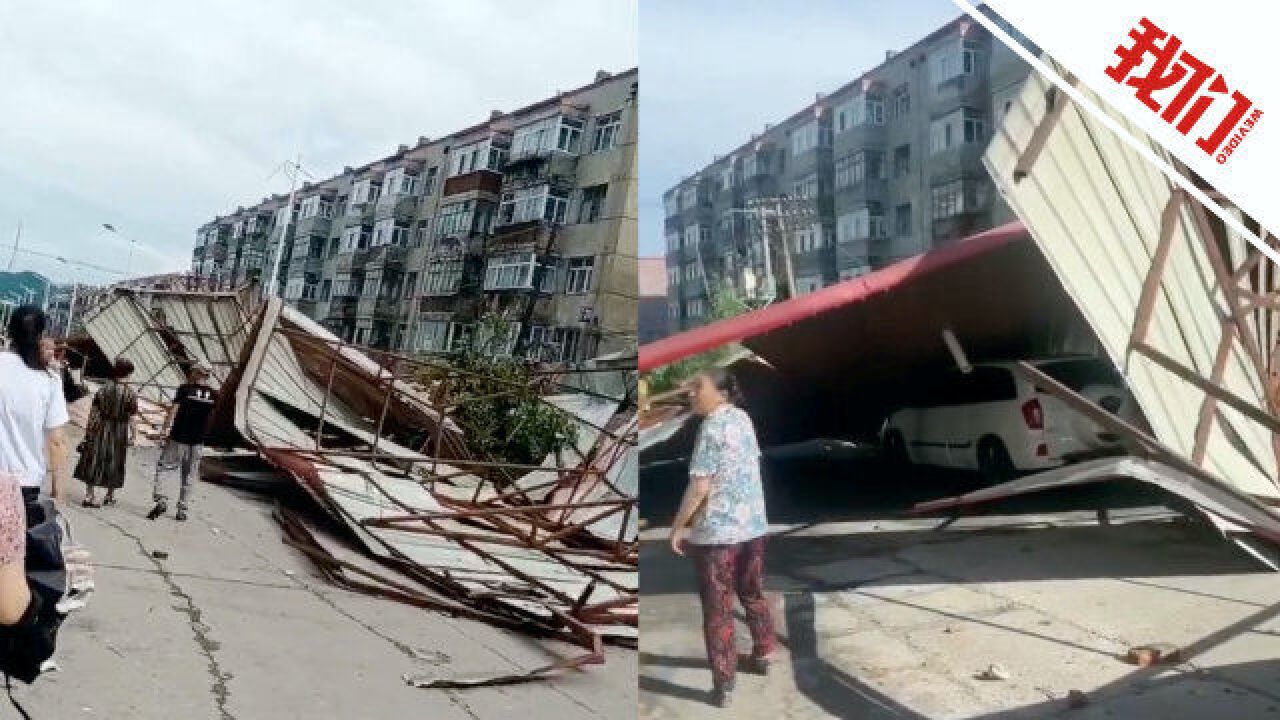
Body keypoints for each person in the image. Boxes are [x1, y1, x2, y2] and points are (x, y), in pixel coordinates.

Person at [669, 368, 775, 709]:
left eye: (697, 387)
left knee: (718, 608)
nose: (690, 394)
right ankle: (763, 653)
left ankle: (724, 683)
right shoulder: (743, 419)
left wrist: (678, 526)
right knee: (752, 591)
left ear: (722, 393)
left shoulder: (711, 427)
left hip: (719, 536)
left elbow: (700, 486)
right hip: (753, 528)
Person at [0, 306, 71, 623]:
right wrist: (59, 493)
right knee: (15, 574)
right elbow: (56, 441)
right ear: (40, 335)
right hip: (23, 490)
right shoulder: (48, 380)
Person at [149, 365, 217, 522]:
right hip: (198, 440)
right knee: (190, 474)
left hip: (178, 437)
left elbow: (173, 410)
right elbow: (211, 418)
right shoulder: (214, 394)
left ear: (196, 373)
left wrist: (164, 430)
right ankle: (182, 509)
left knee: (165, 467)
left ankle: (162, 499)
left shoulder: (184, 389)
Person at [74, 357, 138, 507]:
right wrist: (134, 435)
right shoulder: (130, 394)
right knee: (115, 461)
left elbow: (93, 414)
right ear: (128, 374)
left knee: (95, 459)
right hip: (119, 431)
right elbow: (132, 418)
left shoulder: (103, 389)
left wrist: (89, 433)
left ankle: (89, 496)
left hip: (101, 428)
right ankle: (109, 495)